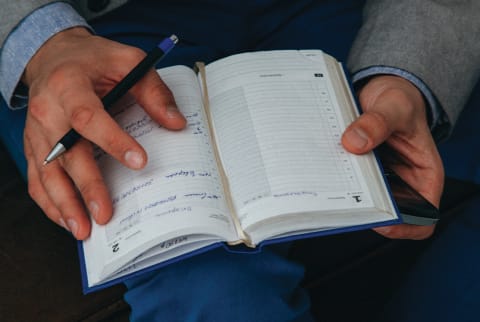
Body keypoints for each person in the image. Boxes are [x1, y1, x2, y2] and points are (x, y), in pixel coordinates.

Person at [0, 1, 479, 321]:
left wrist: (406, 75)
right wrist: (45, 44)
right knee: (207, 283)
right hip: (92, 33)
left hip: (356, 14)